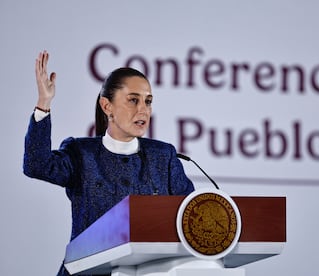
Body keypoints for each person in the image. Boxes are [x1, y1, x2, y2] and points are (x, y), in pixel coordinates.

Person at [23, 51, 195, 276]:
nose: (143, 109)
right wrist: (43, 104)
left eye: (148, 101)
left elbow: (191, 215)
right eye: (133, 100)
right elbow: (36, 165)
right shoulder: (81, 153)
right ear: (107, 106)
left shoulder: (163, 156)